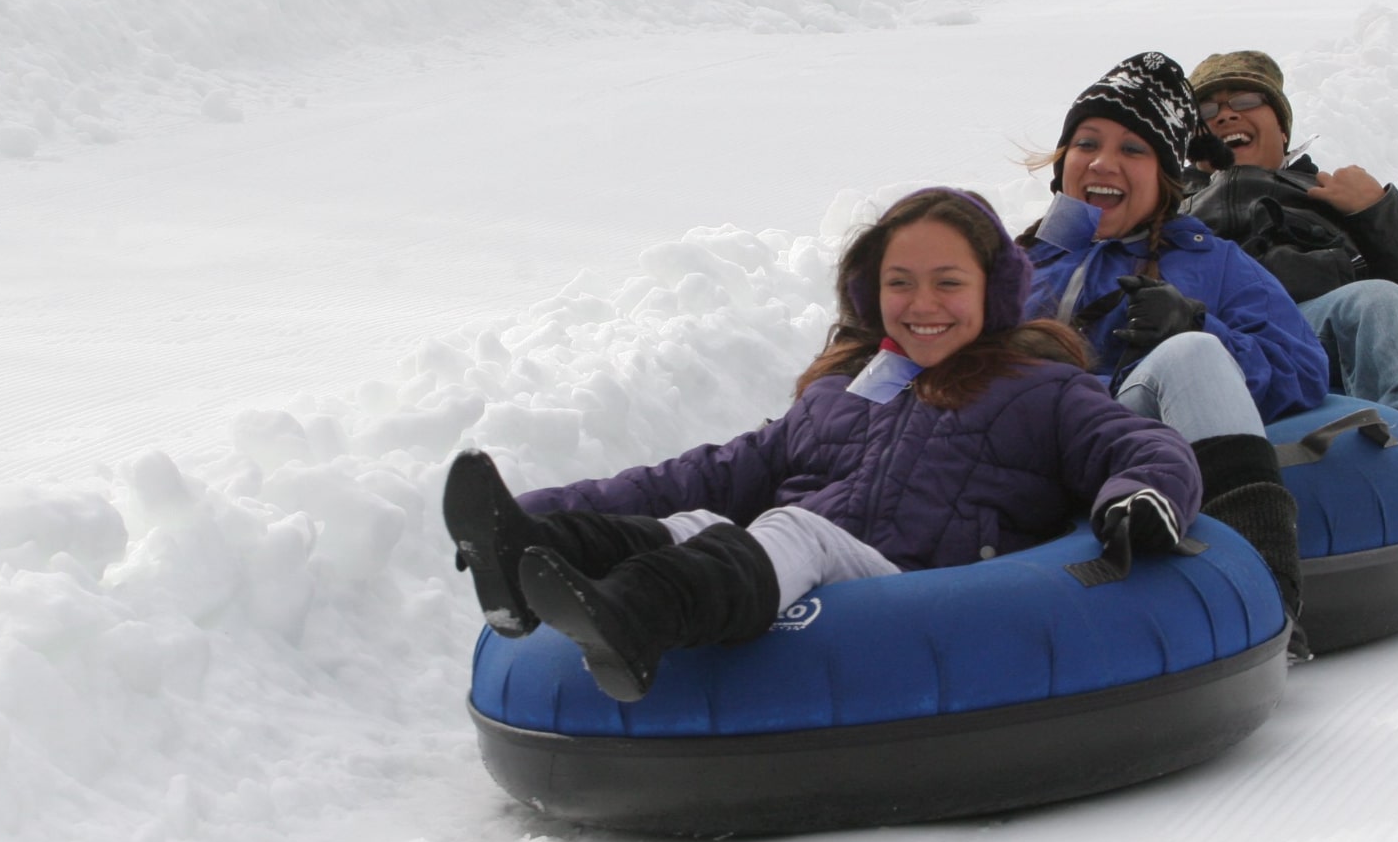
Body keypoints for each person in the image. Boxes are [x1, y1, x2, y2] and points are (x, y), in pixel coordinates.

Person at [442, 187, 1202, 702]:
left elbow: (1139, 446)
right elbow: (711, 471)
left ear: (993, 294)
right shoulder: (844, 392)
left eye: (949, 283)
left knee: (796, 530)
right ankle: (532, 550)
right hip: (794, 575)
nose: (921, 305)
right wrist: (551, 507)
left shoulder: (1041, 390)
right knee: (694, 525)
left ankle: (636, 620)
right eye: (900, 283)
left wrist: (1139, 499)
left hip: (913, 591)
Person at [1019, 51, 1329, 657]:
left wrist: (1196, 322)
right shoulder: (1015, 261)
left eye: (1133, 150)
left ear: (1166, 176)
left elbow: (1302, 367)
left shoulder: (1210, 261)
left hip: (1126, 433)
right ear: (1063, 164)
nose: (1104, 162)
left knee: (1192, 354)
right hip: (1018, 444)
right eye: (1087, 143)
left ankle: (1266, 599)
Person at [1180, 50, 1398, 526]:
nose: (1227, 113)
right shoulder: (1169, 209)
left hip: (1329, 330)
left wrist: (1377, 212)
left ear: (1284, 128)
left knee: (1379, 300)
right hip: (1226, 345)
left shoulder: (1328, 197)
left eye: (1246, 99)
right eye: (1208, 111)